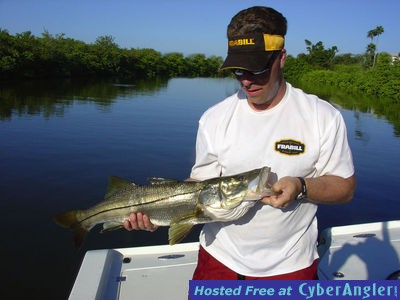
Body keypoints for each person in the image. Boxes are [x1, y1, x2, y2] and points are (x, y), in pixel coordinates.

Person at [124, 6, 355, 280]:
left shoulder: (322, 116)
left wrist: (301, 186)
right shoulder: (215, 118)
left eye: (256, 69)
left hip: (291, 264)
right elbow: (198, 186)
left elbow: (344, 188)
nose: (246, 80)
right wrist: (158, 211)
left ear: (281, 58)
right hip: (219, 257)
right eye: (237, 70)